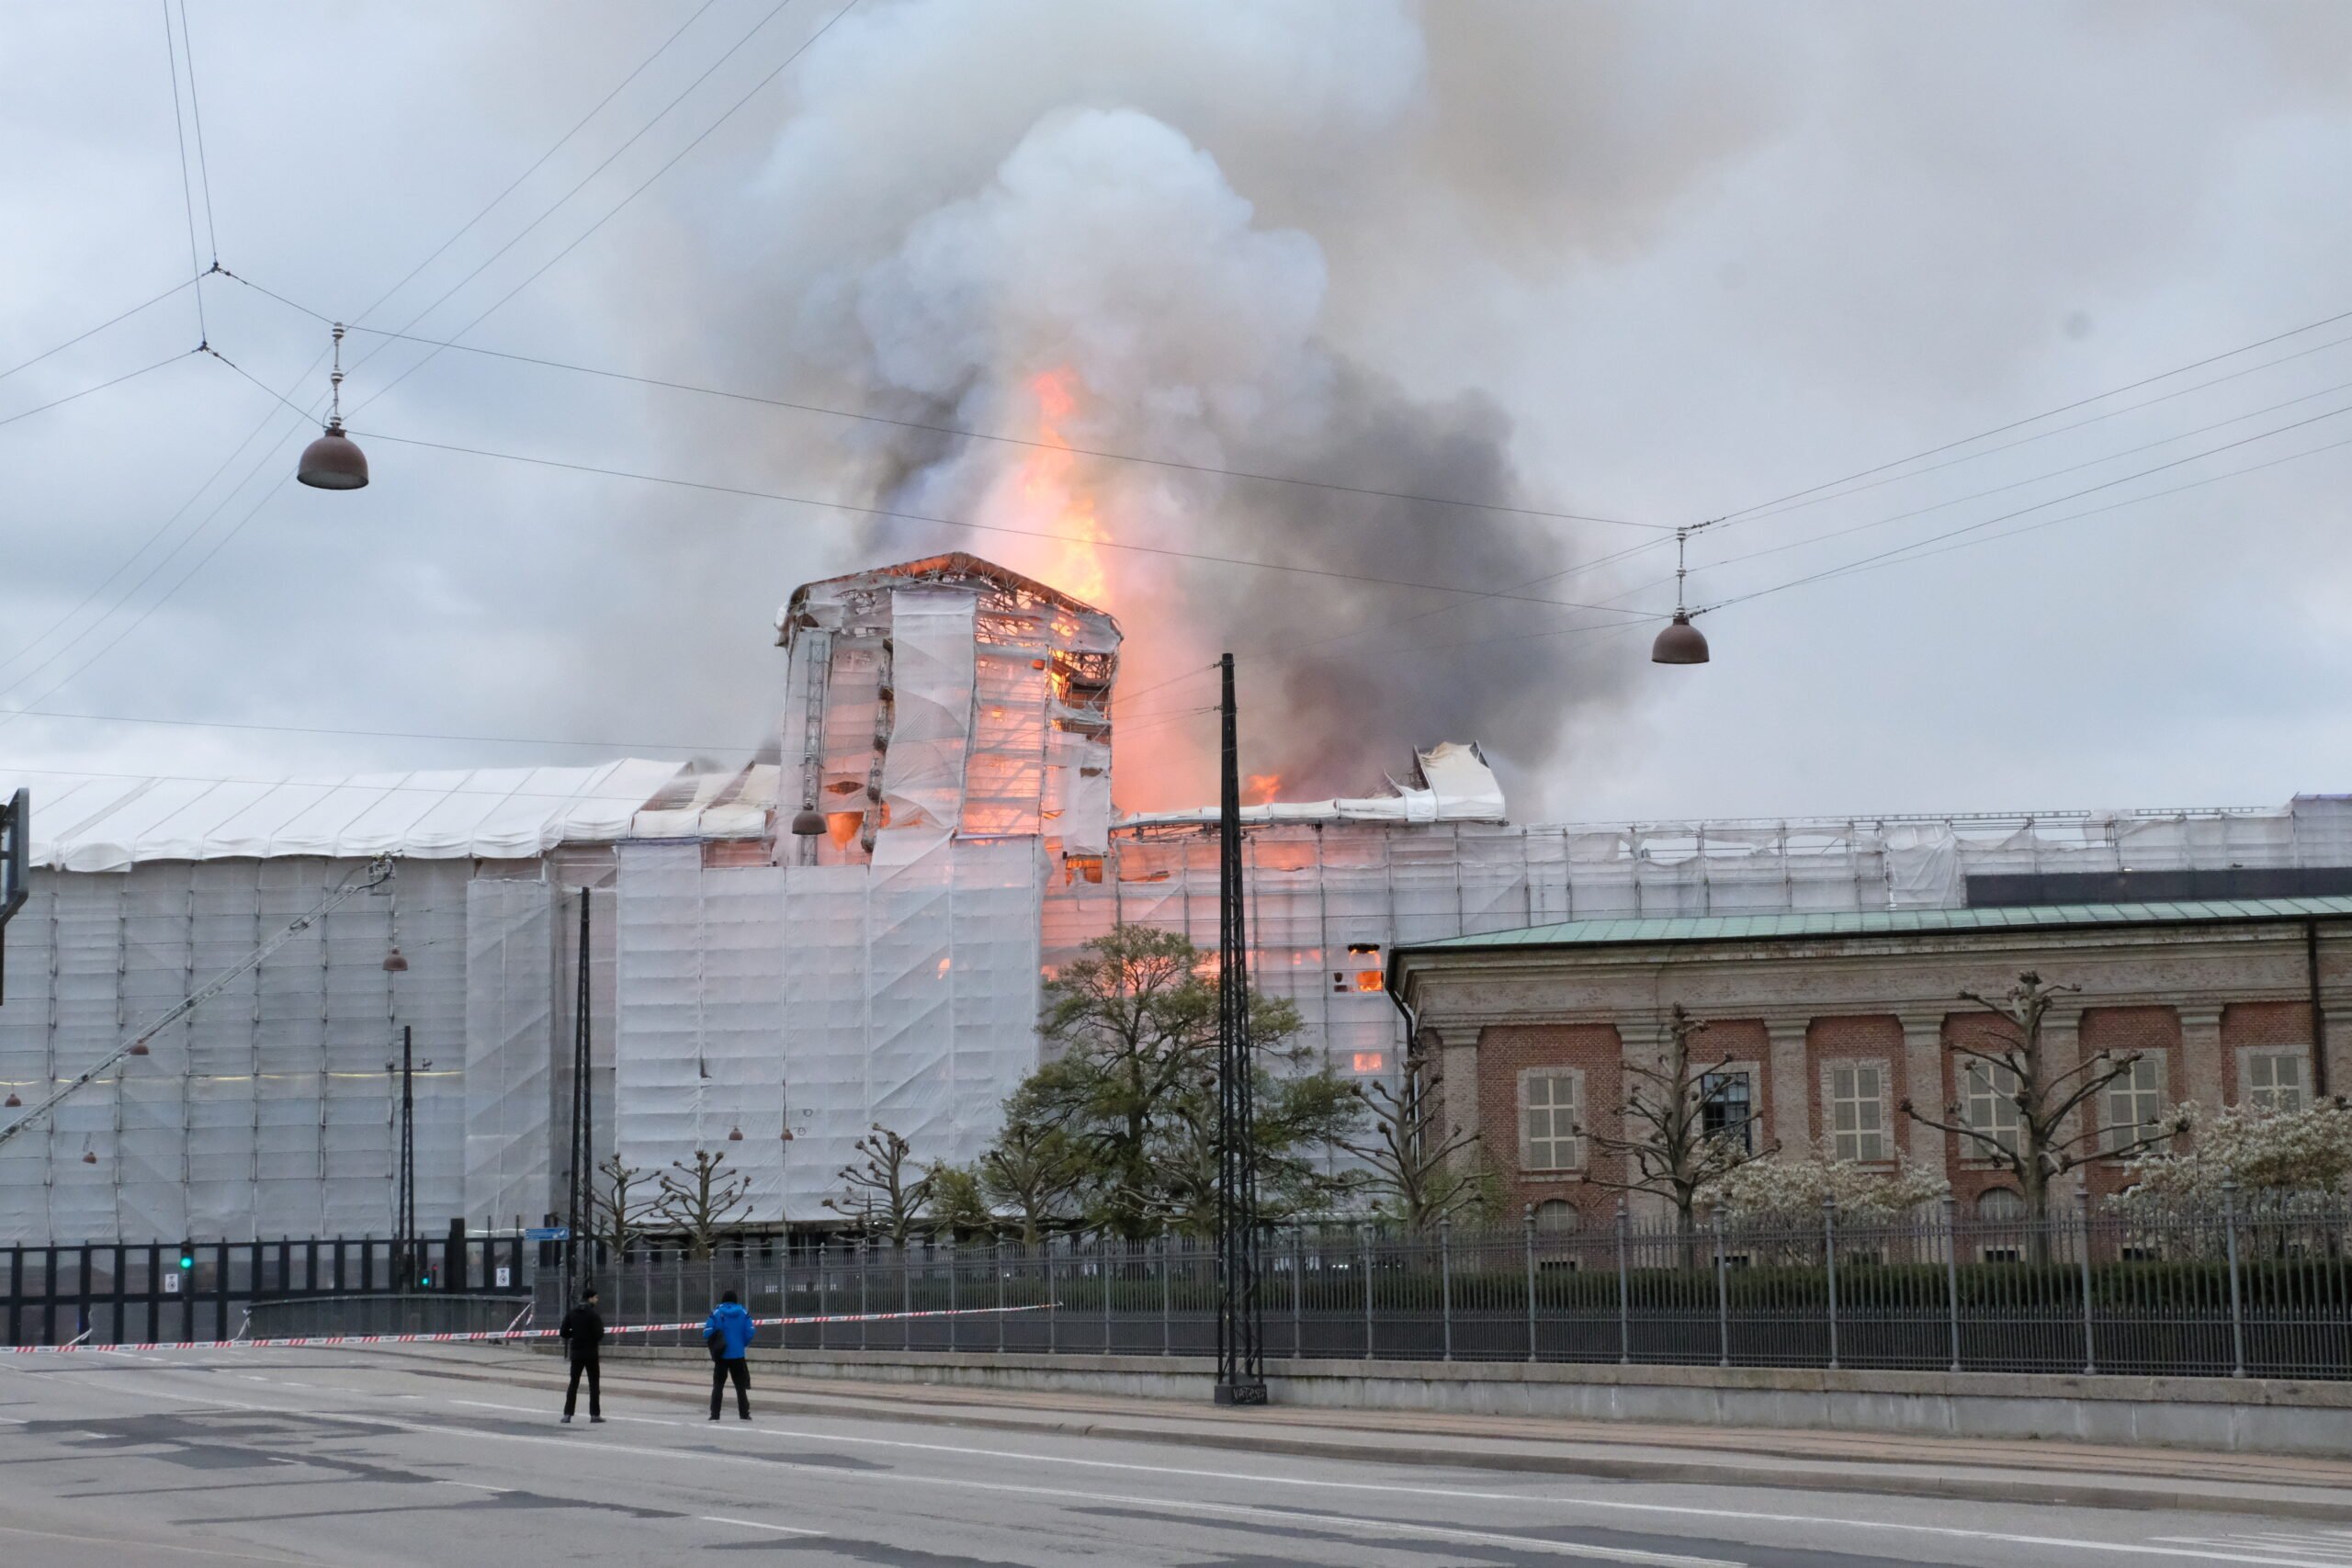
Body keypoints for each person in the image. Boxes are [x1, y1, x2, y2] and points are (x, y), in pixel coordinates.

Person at [703, 1288, 754, 1421]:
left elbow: (707, 1332)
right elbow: (751, 1331)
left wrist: (716, 1339)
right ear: (736, 1300)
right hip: (738, 1354)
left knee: (718, 1385)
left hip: (722, 1355)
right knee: (740, 1386)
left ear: (723, 1300)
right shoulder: (743, 1312)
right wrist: (741, 1343)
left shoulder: (717, 1312)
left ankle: (715, 1414)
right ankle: (744, 1414)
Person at [559, 1286, 605, 1425]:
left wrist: (576, 1335)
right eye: (596, 1298)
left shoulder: (573, 1313)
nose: (597, 1300)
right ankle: (594, 1415)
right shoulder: (593, 1314)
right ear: (590, 1298)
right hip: (591, 1353)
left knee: (573, 1384)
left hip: (576, 1353)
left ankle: (567, 1414)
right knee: (594, 1384)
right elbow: (599, 1334)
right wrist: (590, 1337)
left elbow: (563, 1332)